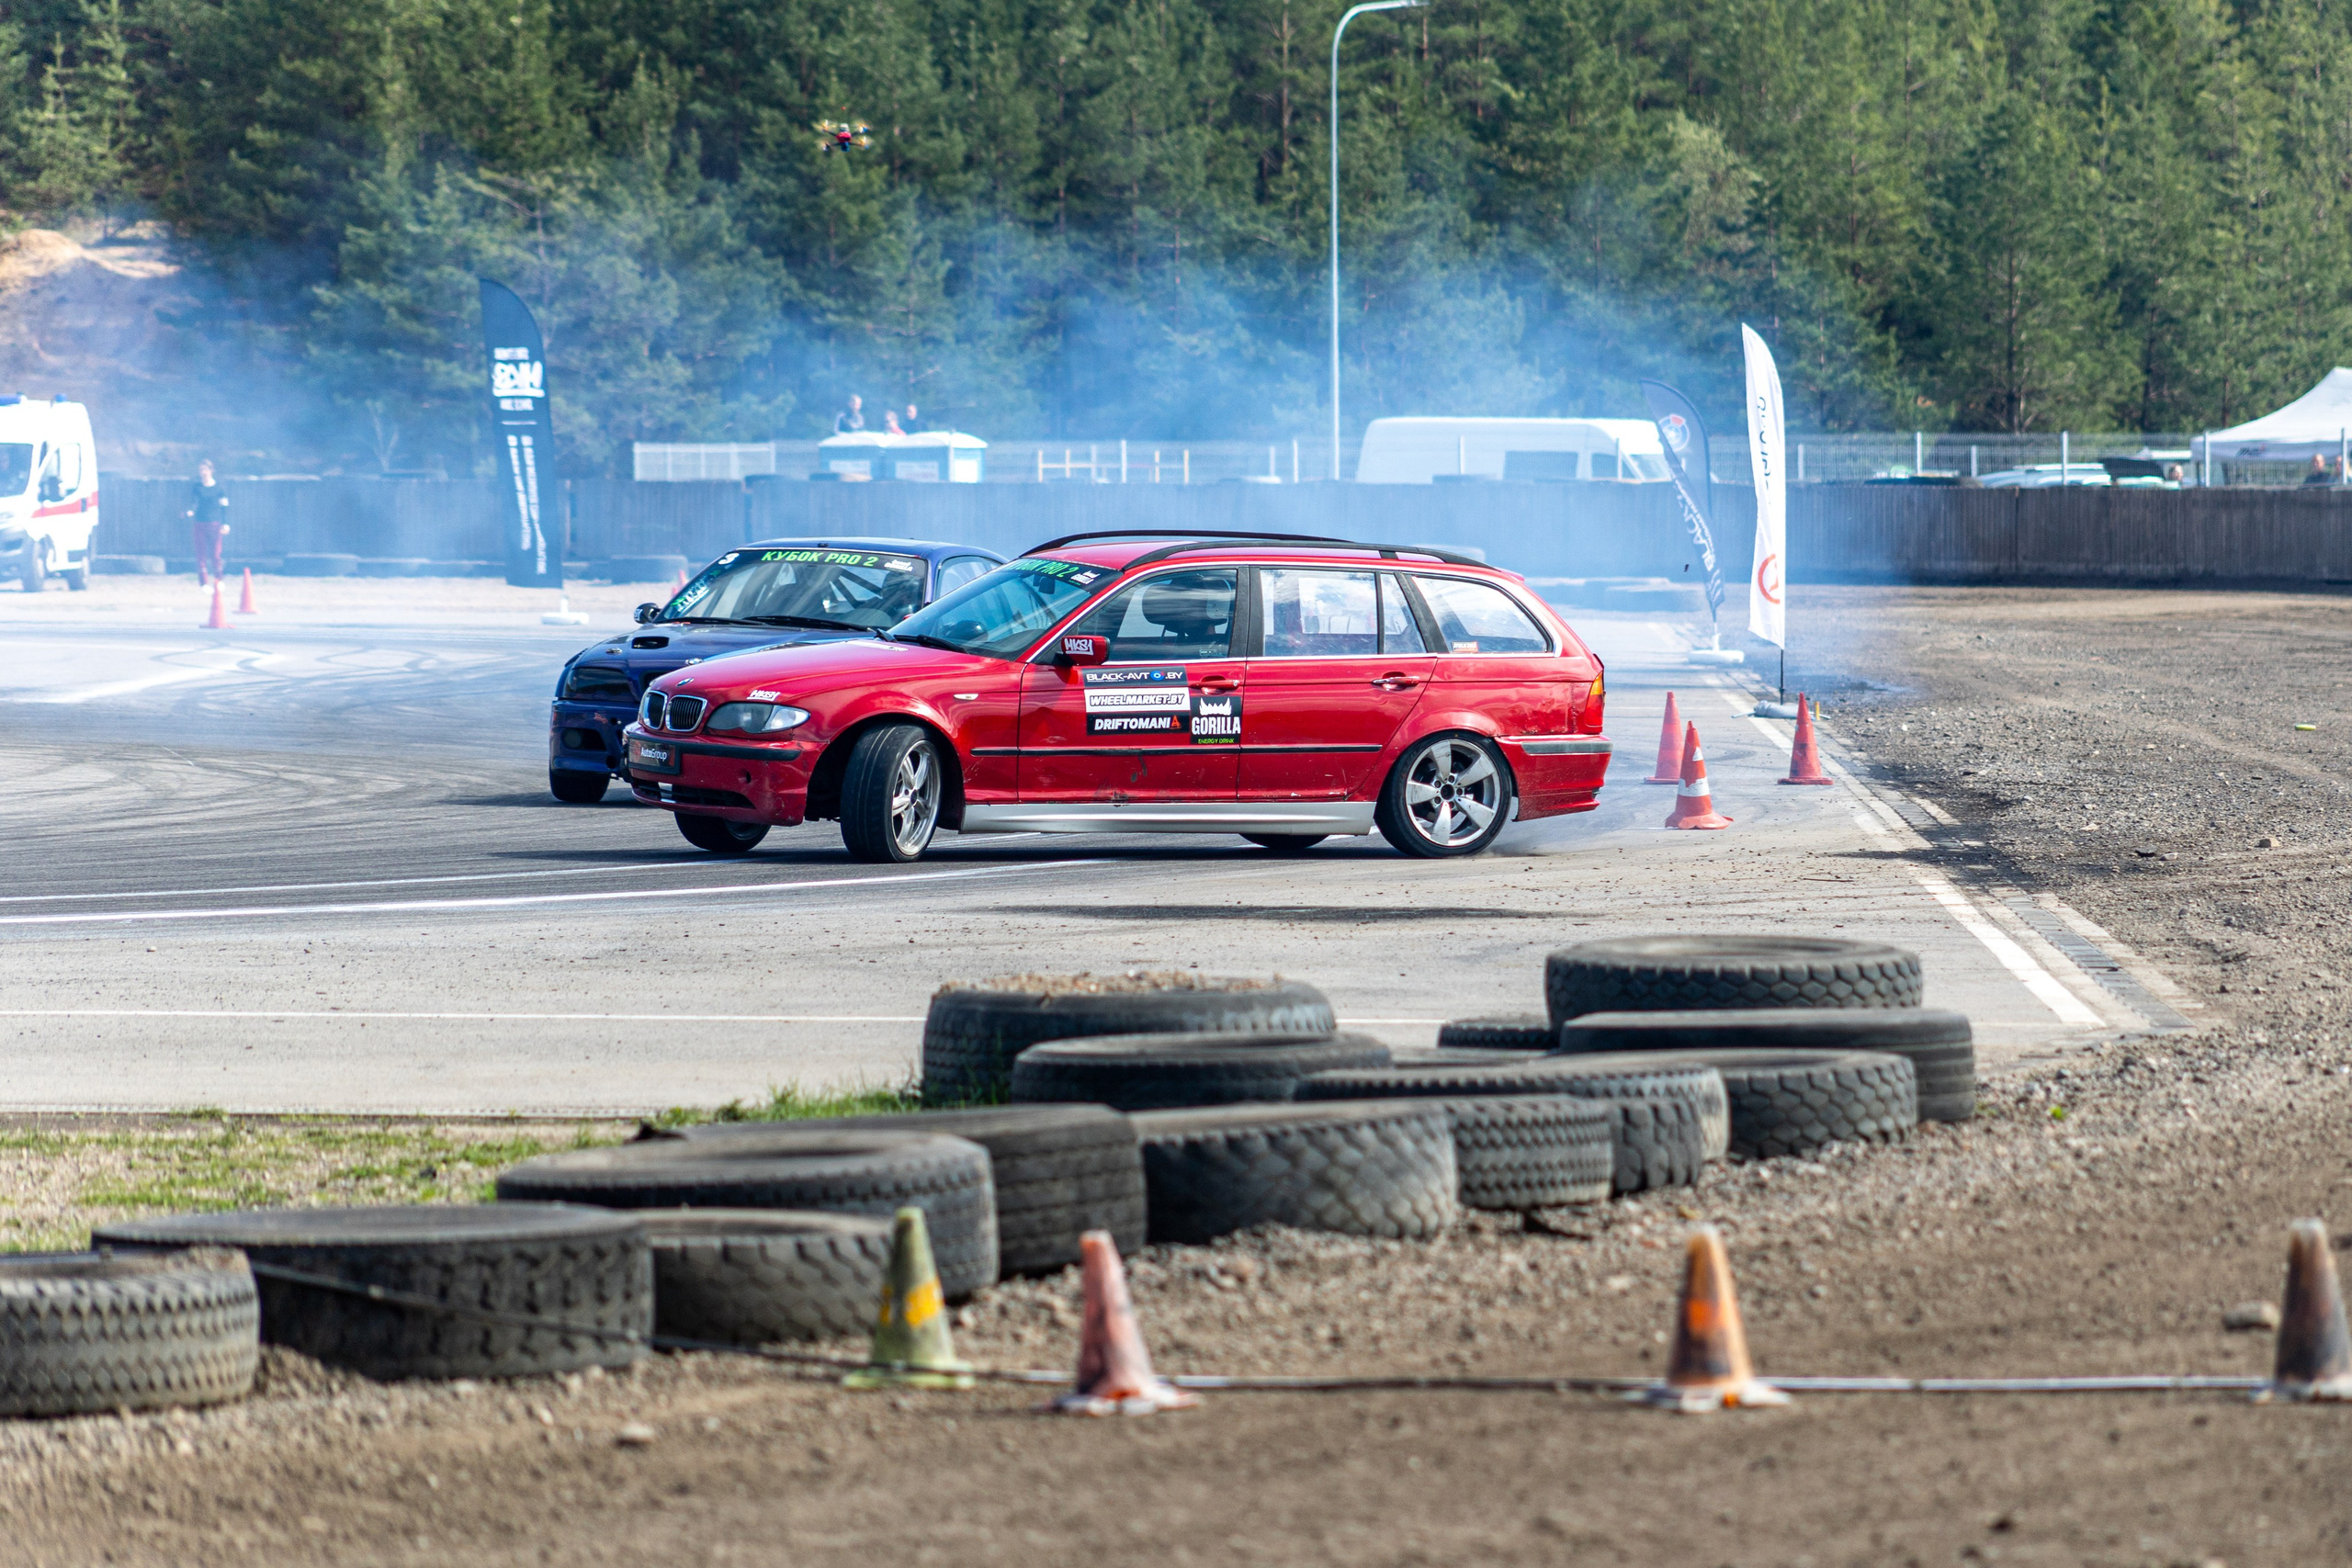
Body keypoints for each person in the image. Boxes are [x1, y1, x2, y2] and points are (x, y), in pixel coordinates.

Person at [187, 460, 230, 585]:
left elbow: (224, 507)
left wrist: (225, 523)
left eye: (205, 469)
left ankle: (219, 580)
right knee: (201, 555)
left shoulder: (219, 488)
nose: (203, 473)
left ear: (211, 470)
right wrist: (191, 511)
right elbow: (193, 502)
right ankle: (204, 583)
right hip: (199, 524)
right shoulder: (197, 487)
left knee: (216, 554)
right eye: (201, 470)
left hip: (215, 525)